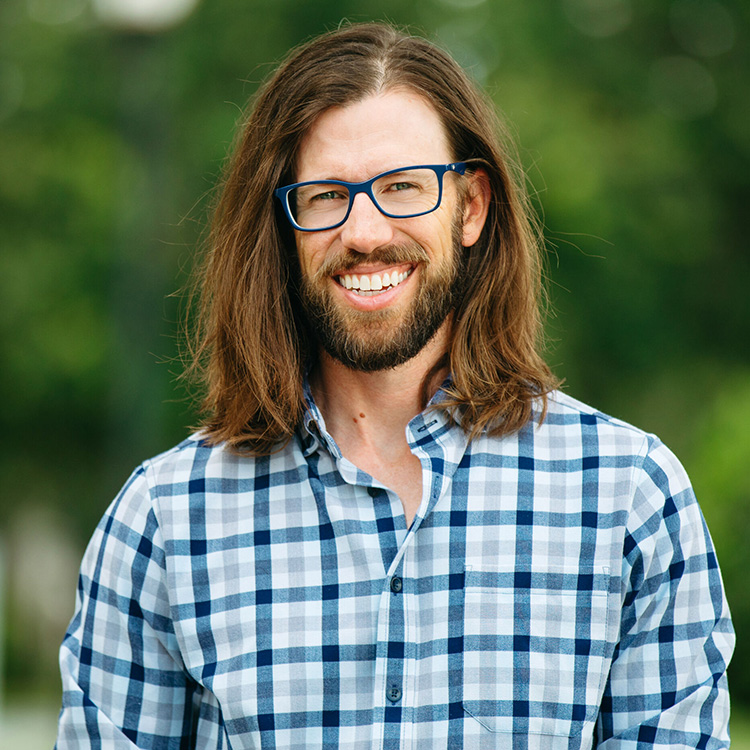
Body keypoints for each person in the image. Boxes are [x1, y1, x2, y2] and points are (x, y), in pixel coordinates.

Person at [56, 22, 734, 749]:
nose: (366, 231)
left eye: (402, 188)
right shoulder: (164, 522)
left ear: (470, 208)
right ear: (284, 229)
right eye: (325, 197)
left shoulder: (628, 496)